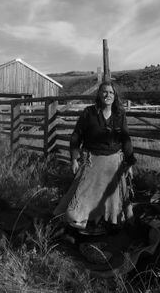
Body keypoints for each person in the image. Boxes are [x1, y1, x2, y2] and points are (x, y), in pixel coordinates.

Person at [53, 81, 136, 235]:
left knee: (113, 201)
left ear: (115, 96)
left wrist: (130, 163)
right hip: (92, 162)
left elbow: (126, 139)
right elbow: (76, 135)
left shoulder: (119, 114)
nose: (108, 95)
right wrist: (74, 159)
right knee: (74, 212)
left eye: (111, 92)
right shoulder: (88, 113)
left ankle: (108, 221)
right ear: (99, 94)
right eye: (104, 92)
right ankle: (85, 219)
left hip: (113, 164)